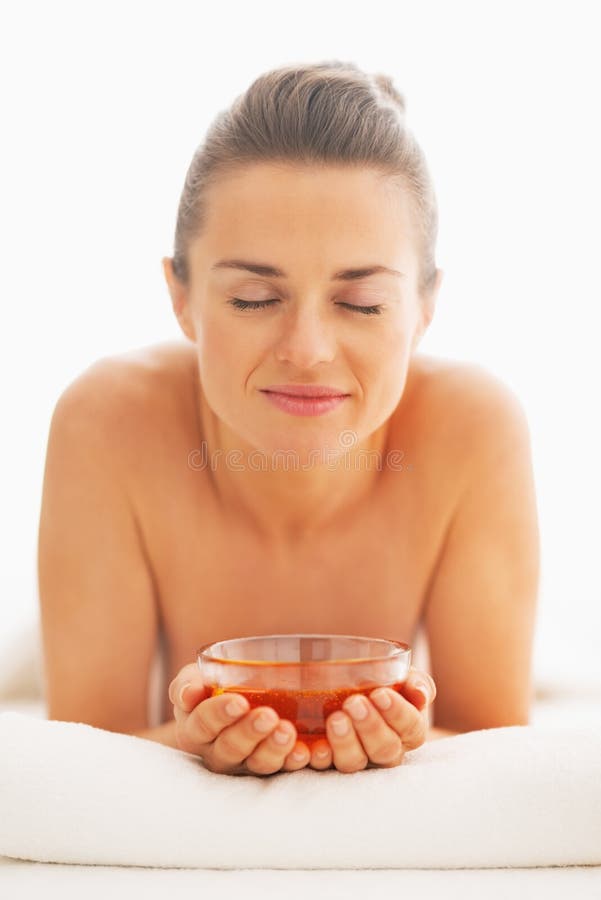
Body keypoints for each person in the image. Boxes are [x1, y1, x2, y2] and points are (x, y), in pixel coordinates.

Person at [37, 61, 540, 777]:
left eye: (361, 303)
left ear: (424, 308)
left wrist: (404, 738)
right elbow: (83, 752)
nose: (306, 351)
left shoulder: (472, 431)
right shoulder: (108, 425)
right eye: (252, 300)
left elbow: (493, 744)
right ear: (180, 298)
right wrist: (188, 741)